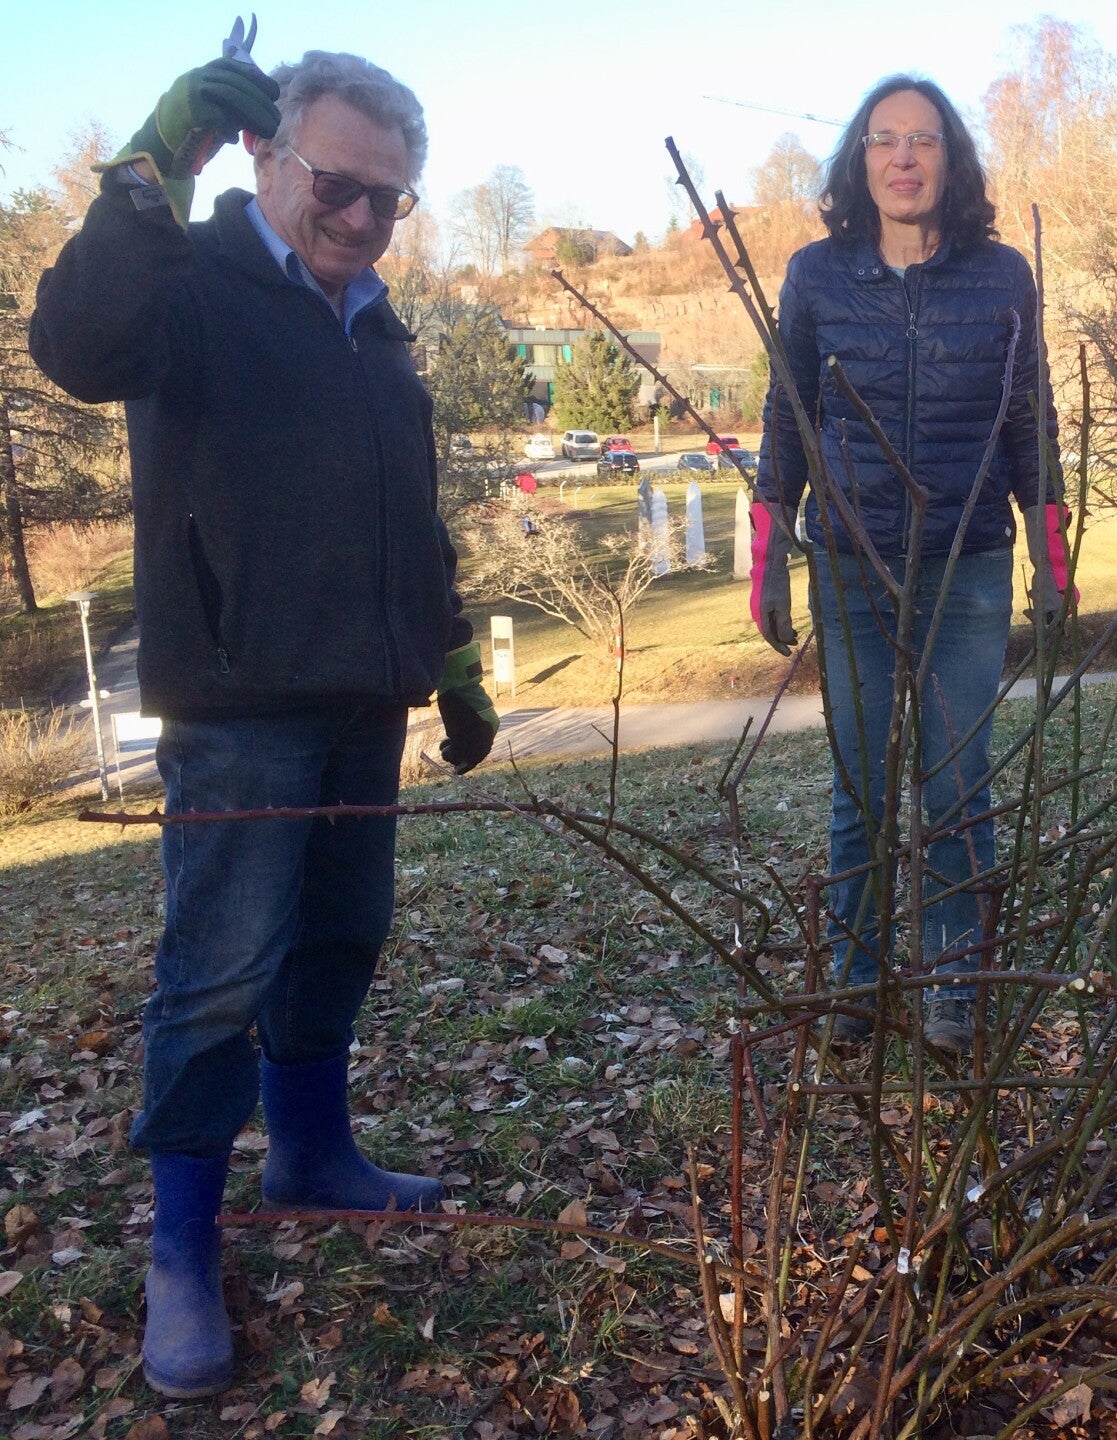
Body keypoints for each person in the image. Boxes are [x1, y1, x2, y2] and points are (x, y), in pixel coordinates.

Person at [31, 46, 496, 1398]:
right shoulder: (187, 283)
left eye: (387, 200)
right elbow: (74, 345)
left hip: (364, 697)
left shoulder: (381, 329)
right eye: (337, 185)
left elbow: (412, 519)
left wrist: (452, 659)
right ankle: (182, 1248)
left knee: (341, 937)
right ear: (265, 154)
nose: (359, 217)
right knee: (218, 975)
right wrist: (145, 168)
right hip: (239, 703)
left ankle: (312, 1154)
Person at [748, 75, 1070, 1055]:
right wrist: (769, 547)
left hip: (967, 565)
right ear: (861, 159)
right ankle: (854, 981)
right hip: (851, 563)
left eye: (922, 140)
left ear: (949, 158)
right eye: (884, 139)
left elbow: (1030, 416)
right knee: (861, 787)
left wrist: (1050, 550)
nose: (903, 157)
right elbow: (788, 416)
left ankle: (952, 985)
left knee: (957, 782)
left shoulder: (1002, 277)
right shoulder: (815, 276)